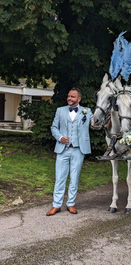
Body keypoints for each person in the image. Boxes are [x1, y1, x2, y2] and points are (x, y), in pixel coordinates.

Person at [46, 88, 93, 216]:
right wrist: (60, 137)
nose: (69, 98)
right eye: (68, 96)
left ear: (79, 99)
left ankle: (70, 203)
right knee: (60, 178)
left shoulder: (87, 111)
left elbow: (95, 124)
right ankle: (56, 205)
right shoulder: (60, 110)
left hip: (78, 149)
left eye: (73, 96)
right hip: (62, 149)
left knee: (74, 177)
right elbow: (54, 127)